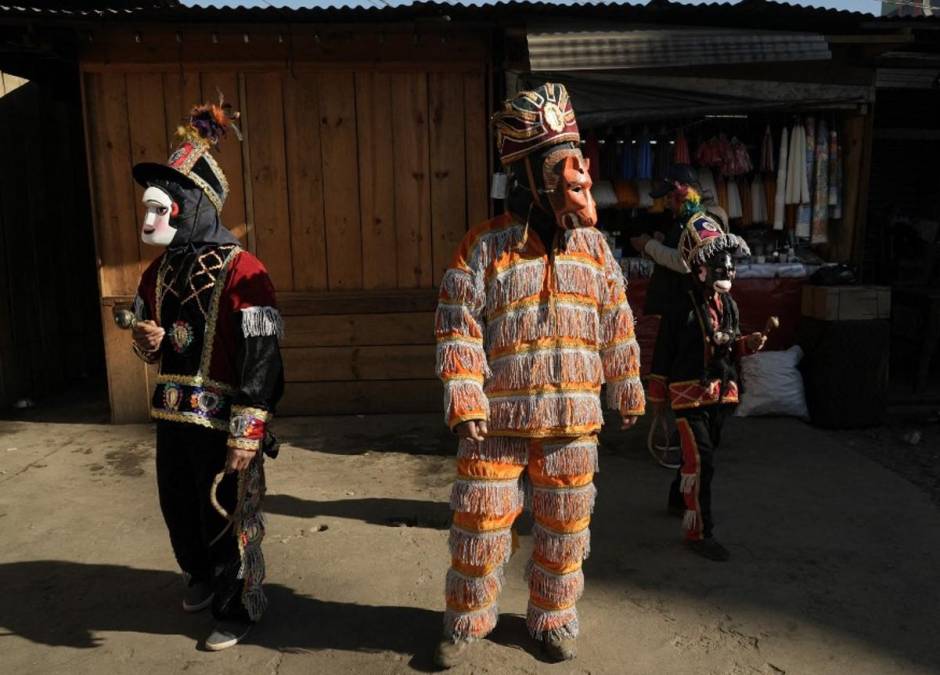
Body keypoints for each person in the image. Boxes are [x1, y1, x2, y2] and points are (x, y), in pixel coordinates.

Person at [433, 83, 645, 668]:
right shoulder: (482, 247)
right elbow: (458, 325)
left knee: (566, 528)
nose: (574, 176)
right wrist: (465, 398)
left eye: (576, 161)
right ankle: (467, 619)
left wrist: (626, 385)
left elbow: (616, 320)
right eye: (557, 165)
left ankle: (551, 619)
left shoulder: (596, 250)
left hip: (574, 420)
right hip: (496, 421)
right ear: (526, 174)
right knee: (479, 520)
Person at [129, 100, 284, 651]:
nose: (154, 216)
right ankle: (199, 575)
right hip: (171, 414)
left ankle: (236, 605)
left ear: (193, 204)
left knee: (225, 513)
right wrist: (146, 342)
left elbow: (263, 354)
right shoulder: (158, 271)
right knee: (179, 505)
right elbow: (152, 338)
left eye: (169, 202)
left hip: (223, 424)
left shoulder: (246, 269)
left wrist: (249, 429)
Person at [646, 198, 766, 562]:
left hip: (720, 393)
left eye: (728, 267)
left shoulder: (728, 305)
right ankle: (700, 531)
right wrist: (656, 400)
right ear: (699, 268)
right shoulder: (679, 307)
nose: (725, 271)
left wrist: (748, 343)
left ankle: (676, 496)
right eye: (718, 266)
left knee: (698, 456)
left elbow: (728, 346)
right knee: (704, 461)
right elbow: (663, 353)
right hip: (687, 395)